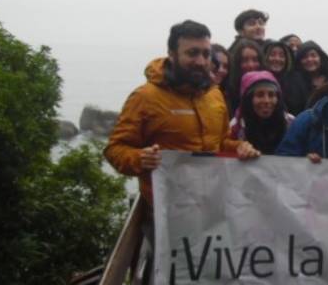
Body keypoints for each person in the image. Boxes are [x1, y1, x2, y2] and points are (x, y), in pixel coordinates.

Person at [104, 20, 259, 210]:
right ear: (171, 54)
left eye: (205, 54)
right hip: (165, 211)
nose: (201, 62)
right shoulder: (145, 97)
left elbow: (221, 142)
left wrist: (240, 147)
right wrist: (138, 158)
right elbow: (114, 149)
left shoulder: (214, 95)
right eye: (192, 53)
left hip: (211, 203)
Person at [230, 71, 293, 154]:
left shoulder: (291, 123)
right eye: (260, 95)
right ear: (248, 99)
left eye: (271, 95)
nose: (266, 101)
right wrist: (238, 147)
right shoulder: (235, 127)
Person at [286, 40, 328, 116]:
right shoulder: (293, 82)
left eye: (313, 55)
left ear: (320, 58)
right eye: (305, 57)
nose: (309, 59)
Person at [225, 39, 264, 114]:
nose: (250, 65)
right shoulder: (229, 91)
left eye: (255, 60)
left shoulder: (270, 87)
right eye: (245, 60)